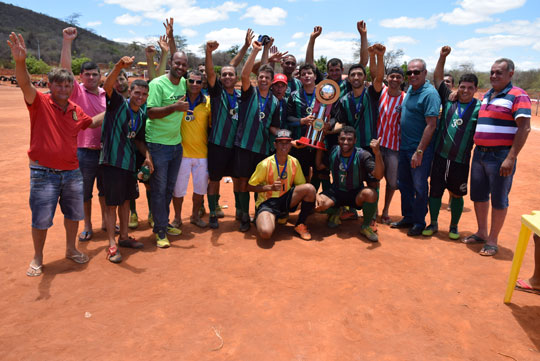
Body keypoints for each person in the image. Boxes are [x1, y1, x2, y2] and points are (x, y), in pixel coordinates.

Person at [8, 32, 103, 276]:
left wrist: (112, 109)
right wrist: (20, 62)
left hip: (72, 172)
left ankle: (71, 249)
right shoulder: (38, 102)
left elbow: (91, 123)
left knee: (73, 215)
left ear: (72, 86)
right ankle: (38, 257)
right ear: (50, 86)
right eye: (58, 84)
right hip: (43, 173)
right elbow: (25, 83)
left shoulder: (74, 109)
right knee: (41, 218)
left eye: (67, 84)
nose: (63, 88)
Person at [464, 58, 531, 256]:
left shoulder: (518, 95)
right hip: (480, 153)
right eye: (492, 72)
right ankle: (481, 232)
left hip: (500, 156)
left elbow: (524, 128)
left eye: (499, 73)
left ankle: (493, 240)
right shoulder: (486, 95)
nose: (494, 76)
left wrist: (511, 157)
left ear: (511, 73)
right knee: (479, 195)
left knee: (499, 199)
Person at [422, 46, 480, 240]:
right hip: (440, 157)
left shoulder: (480, 108)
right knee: (435, 192)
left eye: (470, 88)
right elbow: (438, 77)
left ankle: (454, 226)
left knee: (457, 194)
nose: (465, 90)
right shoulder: (449, 99)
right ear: (458, 87)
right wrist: (442, 57)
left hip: (461, 161)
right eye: (462, 86)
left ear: (475, 90)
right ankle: (434, 223)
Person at [100, 56, 153, 262]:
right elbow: (107, 85)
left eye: (144, 94)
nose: (140, 96)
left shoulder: (141, 115)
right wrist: (118, 67)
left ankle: (123, 237)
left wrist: (147, 158)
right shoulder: (117, 104)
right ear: (130, 92)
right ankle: (112, 244)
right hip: (111, 162)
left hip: (128, 163)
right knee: (112, 203)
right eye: (137, 93)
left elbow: (139, 140)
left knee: (126, 201)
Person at [60, 27, 107, 242]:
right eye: (86, 74)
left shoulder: (107, 94)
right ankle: (88, 226)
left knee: (105, 190)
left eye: (94, 74)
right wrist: (67, 42)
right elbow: (65, 71)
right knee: (85, 192)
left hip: (105, 151)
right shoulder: (77, 91)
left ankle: (107, 223)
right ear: (81, 77)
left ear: (100, 76)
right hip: (84, 152)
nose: (90, 77)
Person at [334, 44, 385, 228]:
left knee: (373, 181)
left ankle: (372, 215)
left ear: (364, 78)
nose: (356, 77)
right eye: (353, 75)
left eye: (359, 75)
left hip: (370, 145)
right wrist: (326, 128)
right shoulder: (344, 100)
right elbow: (341, 123)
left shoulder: (371, 93)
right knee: (351, 179)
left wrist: (378, 56)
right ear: (349, 78)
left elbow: (378, 77)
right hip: (353, 147)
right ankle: (351, 211)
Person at [391, 58, 441, 236]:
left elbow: (431, 125)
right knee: (404, 184)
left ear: (425, 73)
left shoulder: (430, 94)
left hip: (420, 150)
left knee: (419, 187)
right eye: (409, 72)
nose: (412, 75)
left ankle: (419, 221)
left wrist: (419, 151)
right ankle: (408, 217)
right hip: (404, 147)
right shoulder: (411, 89)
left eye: (416, 72)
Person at [146, 50, 189, 248]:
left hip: (175, 145)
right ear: (171, 62)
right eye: (177, 63)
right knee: (159, 189)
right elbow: (151, 113)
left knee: (168, 189)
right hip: (158, 144)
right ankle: (160, 230)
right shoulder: (156, 84)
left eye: (184, 64)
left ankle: (162, 222)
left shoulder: (183, 83)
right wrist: (173, 107)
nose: (180, 67)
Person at [235, 40, 280, 232]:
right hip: (245, 146)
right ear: (257, 78)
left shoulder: (276, 102)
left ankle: (256, 212)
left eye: (267, 78)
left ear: (271, 82)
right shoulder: (248, 92)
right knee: (244, 181)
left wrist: (287, 138)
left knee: (259, 183)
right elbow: (244, 73)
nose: (263, 80)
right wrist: (254, 50)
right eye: (261, 77)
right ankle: (244, 215)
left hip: (263, 149)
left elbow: (273, 128)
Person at [315, 126, 384, 242]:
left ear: (355, 140)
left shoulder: (363, 155)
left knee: (371, 194)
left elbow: (378, 175)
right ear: (338, 139)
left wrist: (377, 153)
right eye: (342, 139)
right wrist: (319, 143)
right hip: (336, 192)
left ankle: (366, 226)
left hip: (355, 193)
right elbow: (319, 166)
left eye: (349, 139)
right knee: (317, 205)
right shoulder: (333, 151)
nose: (345, 142)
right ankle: (338, 210)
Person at [247, 130, 317, 241]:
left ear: (291, 145)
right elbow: (250, 186)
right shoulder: (265, 164)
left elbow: (302, 186)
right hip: (268, 203)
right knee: (266, 233)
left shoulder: (294, 162)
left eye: (287, 142)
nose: (284, 146)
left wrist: (314, 199)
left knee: (310, 189)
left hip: (286, 199)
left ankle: (300, 224)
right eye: (281, 142)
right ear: (275, 144)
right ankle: (265, 217)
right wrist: (270, 187)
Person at [171, 70, 211, 229]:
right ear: (186, 82)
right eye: (191, 81)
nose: (195, 84)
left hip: (202, 154)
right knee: (178, 190)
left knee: (200, 189)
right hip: (182, 154)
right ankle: (177, 218)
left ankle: (195, 216)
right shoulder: (179, 101)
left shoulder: (208, 103)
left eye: (198, 82)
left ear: (203, 84)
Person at [377, 66, 406, 224]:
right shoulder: (380, 92)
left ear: (402, 79)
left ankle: (386, 210)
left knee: (392, 182)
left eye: (398, 77)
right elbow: (376, 74)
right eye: (392, 76)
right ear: (387, 78)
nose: (394, 80)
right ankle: (373, 209)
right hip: (378, 145)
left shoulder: (405, 98)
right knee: (374, 179)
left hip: (395, 146)